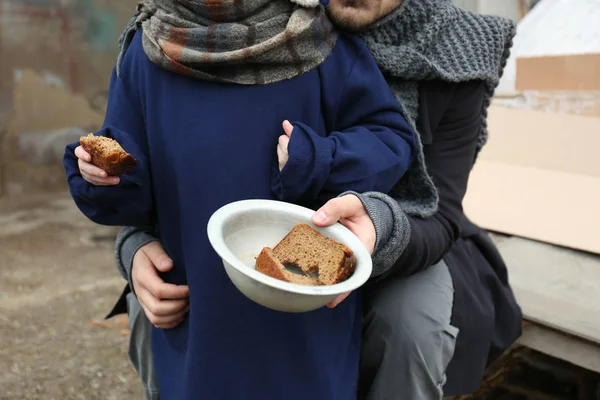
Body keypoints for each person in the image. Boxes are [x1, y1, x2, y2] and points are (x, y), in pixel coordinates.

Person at [111, 0, 524, 399]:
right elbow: (190, 159)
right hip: (272, 223)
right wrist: (134, 242)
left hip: (405, 234)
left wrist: (379, 227)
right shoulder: (253, 25)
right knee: (152, 302)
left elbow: (441, 213)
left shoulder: (459, 50)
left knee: (412, 326)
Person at [63, 0, 422, 399]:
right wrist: (102, 177)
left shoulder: (319, 37)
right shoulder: (148, 48)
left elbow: (390, 140)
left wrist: (319, 159)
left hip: (303, 315)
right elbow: (132, 192)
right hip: (197, 308)